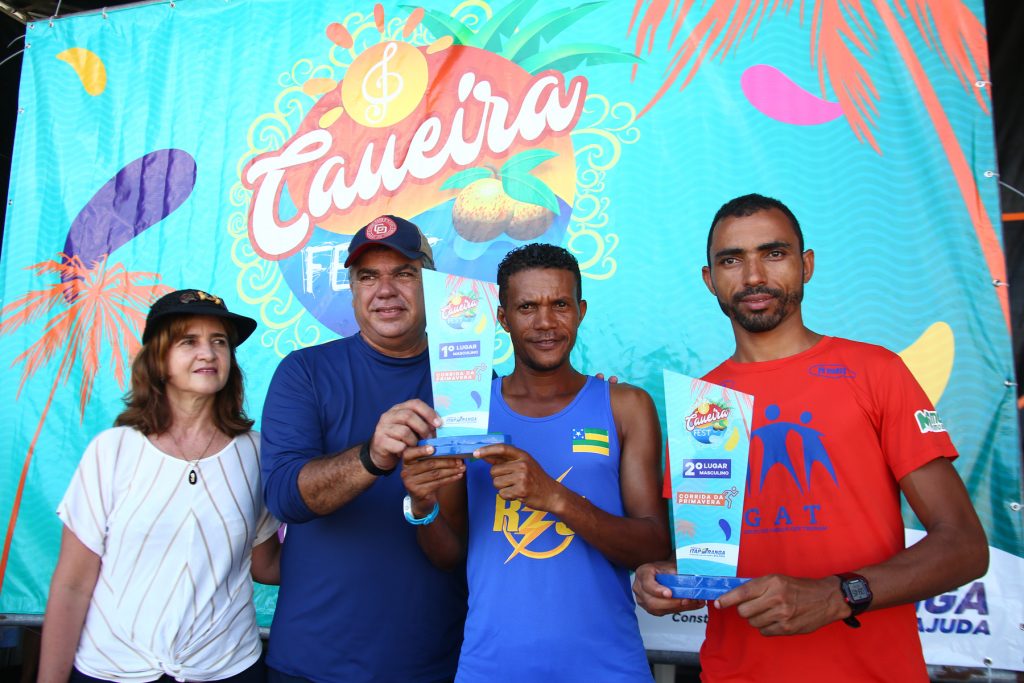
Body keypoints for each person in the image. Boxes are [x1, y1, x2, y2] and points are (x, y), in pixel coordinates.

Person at [632, 194, 989, 682]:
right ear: (709, 279)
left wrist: (838, 594)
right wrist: (668, 580)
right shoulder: (704, 403)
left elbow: (965, 545)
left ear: (806, 265)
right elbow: (712, 560)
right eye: (732, 260)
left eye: (774, 254)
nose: (753, 276)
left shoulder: (876, 372)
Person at [401, 243, 670, 681]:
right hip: (493, 667)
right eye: (527, 307)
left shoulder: (626, 406)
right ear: (502, 318)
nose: (545, 322)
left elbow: (654, 546)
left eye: (560, 304)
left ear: (581, 311)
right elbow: (449, 556)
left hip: (607, 666)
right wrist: (421, 505)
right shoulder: (463, 415)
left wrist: (555, 497)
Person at [260, 215, 466, 683]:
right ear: (352, 291)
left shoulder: (472, 382)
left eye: (404, 273)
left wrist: (588, 401)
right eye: (368, 276)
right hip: (312, 663)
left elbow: (463, 544)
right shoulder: (304, 372)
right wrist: (372, 457)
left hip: (431, 662)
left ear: (432, 284)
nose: (385, 290)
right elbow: (285, 498)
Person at [39, 289, 281, 683]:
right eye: (189, 341)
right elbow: (72, 584)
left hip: (226, 668)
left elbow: (266, 564)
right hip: (113, 669)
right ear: (159, 358)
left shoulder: (256, 453)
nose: (208, 353)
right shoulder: (112, 450)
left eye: (219, 341)